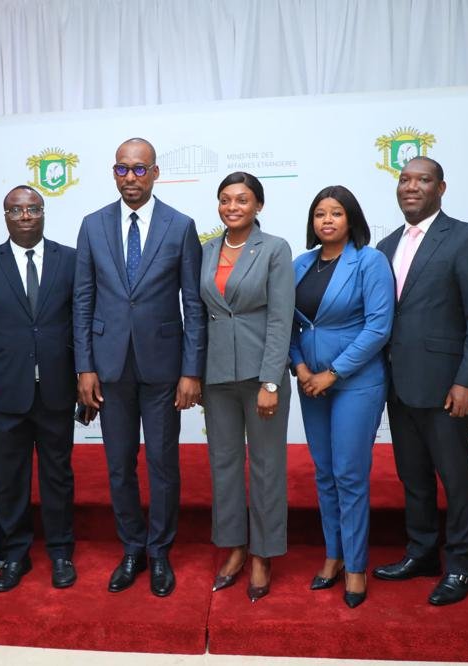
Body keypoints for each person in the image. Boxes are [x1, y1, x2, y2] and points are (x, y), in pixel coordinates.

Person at [74, 137, 206, 597]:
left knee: (163, 463)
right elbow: (83, 301)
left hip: (164, 368)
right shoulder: (92, 225)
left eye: (139, 169)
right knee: (118, 465)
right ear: (114, 172)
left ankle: (160, 550)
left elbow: (193, 304)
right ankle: (132, 547)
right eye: (122, 169)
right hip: (108, 368)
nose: (130, 177)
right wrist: (84, 367)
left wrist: (191, 370)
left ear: (155, 173)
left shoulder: (180, 226)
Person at [373, 157, 468, 606]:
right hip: (399, 384)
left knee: (456, 478)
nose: (411, 187)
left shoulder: (466, 239)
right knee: (413, 477)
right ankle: (422, 552)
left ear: (441, 188)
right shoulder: (385, 245)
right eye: (404, 179)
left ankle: (461, 564)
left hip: (448, 387)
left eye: (422, 180)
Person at [0, 186, 79, 592]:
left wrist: (85, 377)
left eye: (33, 209)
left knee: (58, 475)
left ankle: (60, 551)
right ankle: (15, 554)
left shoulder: (70, 260)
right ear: (5, 216)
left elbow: (81, 324)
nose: (25, 216)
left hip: (57, 390)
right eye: (16, 210)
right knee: (10, 477)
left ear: (43, 213)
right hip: (5, 393)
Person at [290, 186, 394, 608]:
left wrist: (331, 374)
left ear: (351, 219)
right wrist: (300, 368)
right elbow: (287, 323)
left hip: (355, 382)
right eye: (320, 214)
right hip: (309, 383)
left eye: (336, 213)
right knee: (324, 473)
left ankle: (355, 565)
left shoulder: (369, 261)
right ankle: (332, 555)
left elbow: (378, 327)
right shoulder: (299, 265)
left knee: (349, 474)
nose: (327, 220)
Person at [199, 172, 294, 602]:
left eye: (241, 199)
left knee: (266, 466)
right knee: (223, 464)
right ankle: (234, 547)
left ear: (258, 205)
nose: (232, 207)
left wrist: (271, 379)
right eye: (225, 199)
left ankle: (263, 554)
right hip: (217, 375)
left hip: (261, 376)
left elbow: (281, 318)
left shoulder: (274, 248)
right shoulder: (206, 250)